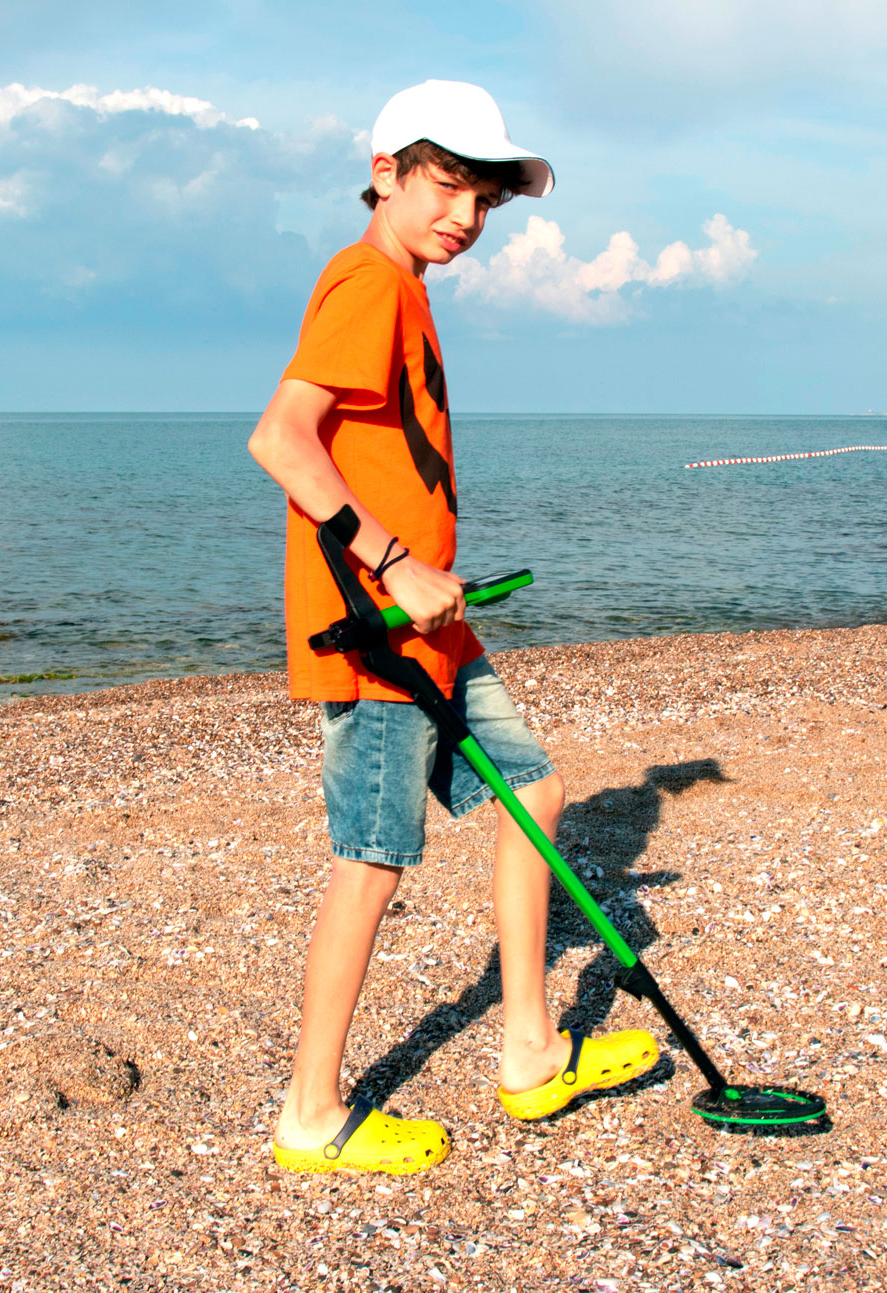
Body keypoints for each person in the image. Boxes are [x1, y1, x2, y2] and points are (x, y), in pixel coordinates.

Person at [247, 80, 657, 1174]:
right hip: (371, 633)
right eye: (445, 186)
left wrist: (427, 568)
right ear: (383, 172)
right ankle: (309, 1113)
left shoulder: (406, 286)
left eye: (484, 199)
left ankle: (527, 1050)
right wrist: (391, 562)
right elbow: (282, 440)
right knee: (371, 860)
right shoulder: (367, 281)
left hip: (428, 624)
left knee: (531, 791)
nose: (465, 218)